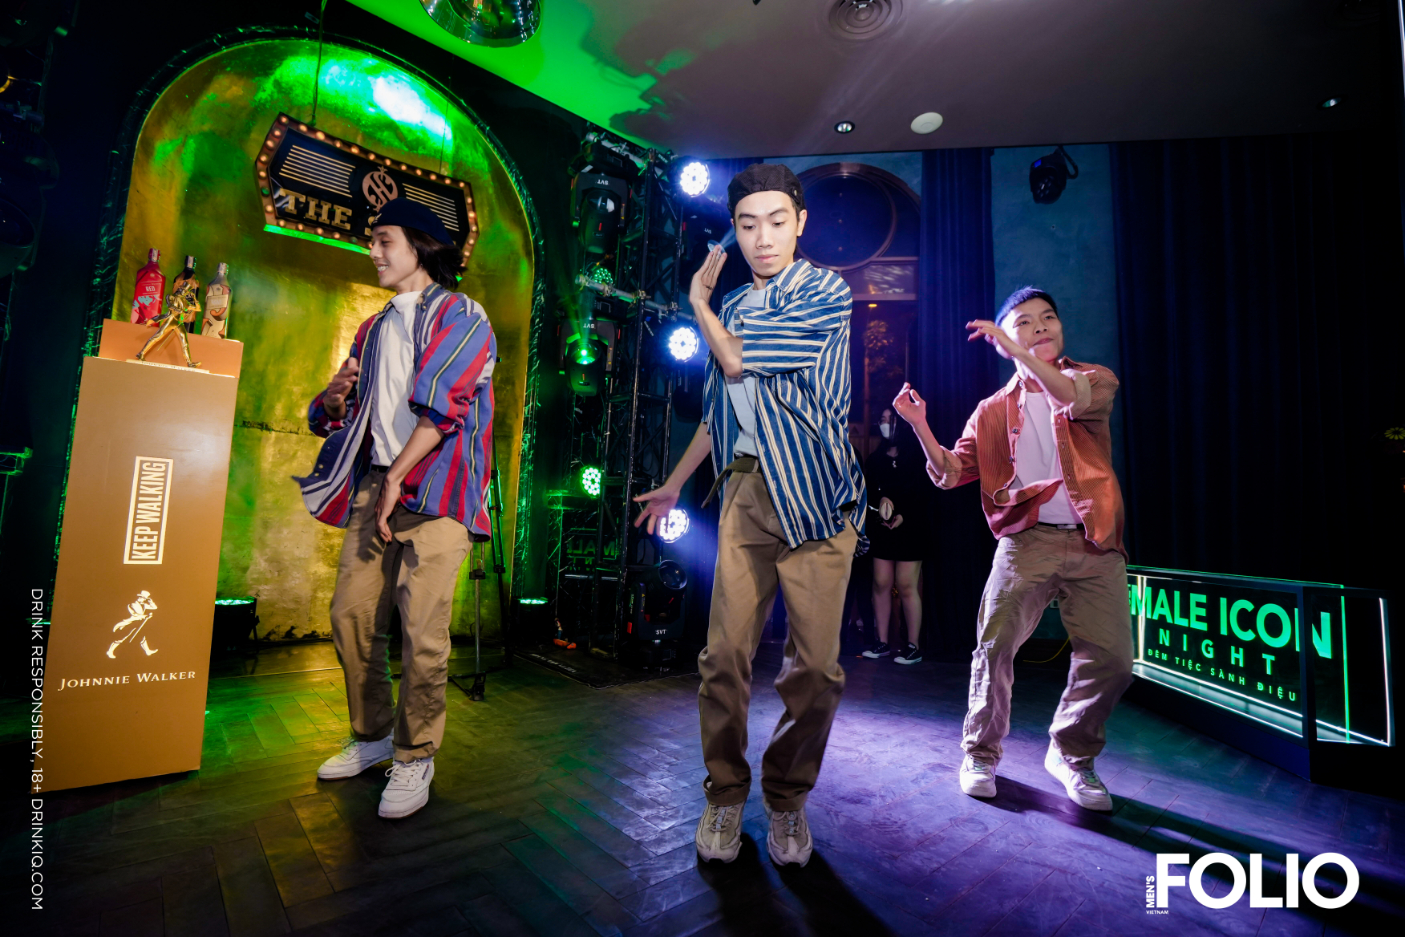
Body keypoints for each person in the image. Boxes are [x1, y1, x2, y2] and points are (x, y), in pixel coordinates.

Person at [633, 164, 866, 867]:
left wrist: (696, 303)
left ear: (800, 223)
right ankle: (726, 792)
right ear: (733, 232)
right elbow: (719, 410)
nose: (762, 237)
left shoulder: (825, 291)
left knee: (814, 670)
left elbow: (737, 362)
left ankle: (788, 798)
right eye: (746, 224)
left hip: (816, 498)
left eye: (775, 221)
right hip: (744, 491)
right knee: (722, 658)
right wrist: (674, 484)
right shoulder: (731, 305)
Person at [294, 198, 496, 820]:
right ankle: (374, 735)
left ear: (421, 245)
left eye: (384, 240)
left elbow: (443, 405)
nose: (373, 251)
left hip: (437, 493)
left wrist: (398, 478)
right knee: (351, 617)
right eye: (371, 240)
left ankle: (414, 756)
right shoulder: (373, 328)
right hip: (376, 484)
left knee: (422, 634)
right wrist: (332, 403)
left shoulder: (462, 315)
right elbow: (337, 415)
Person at [893, 286, 1131, 811]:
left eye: (1048, 317)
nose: (1041, 326)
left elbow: (1069, 398)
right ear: (1002, 339)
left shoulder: (1094, 379)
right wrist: (920, 425)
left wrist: (1021, 352)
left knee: (1114, 661)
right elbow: (950, 473)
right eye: (1024, 321)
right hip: (1026, 542)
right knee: (995, 647)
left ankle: (1071, 754)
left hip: (1094, 541)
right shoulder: (992, 411)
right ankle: (980, 753)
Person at [861, 407, 934, 664]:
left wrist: (903, 514)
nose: (885, 424)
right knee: (881, 582)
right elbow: (868, 494)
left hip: (911, 528)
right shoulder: (875, 459)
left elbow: (924, 494)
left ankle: (913, 645)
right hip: (882, 529)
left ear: (901, 423)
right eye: (881, 420)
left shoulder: (917, 456)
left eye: (890, 420)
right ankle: (881, 642)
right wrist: (880, 508)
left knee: (906, 585)